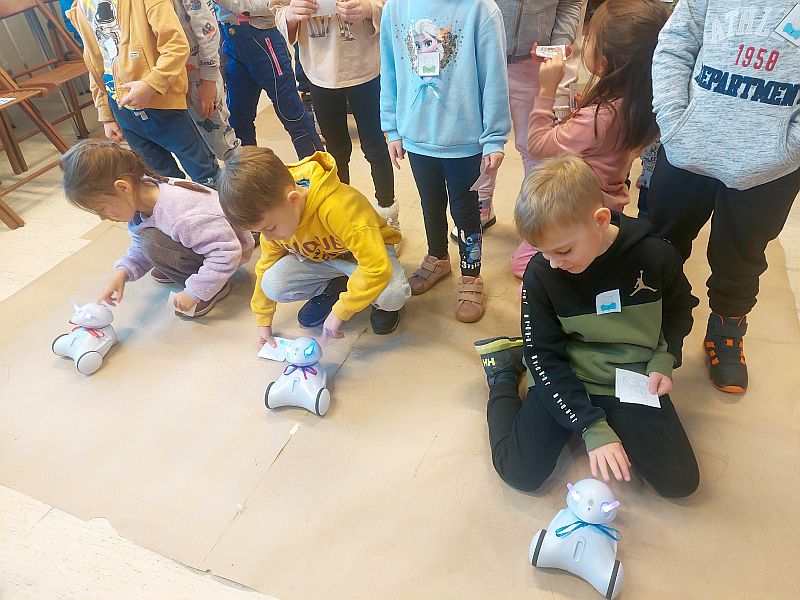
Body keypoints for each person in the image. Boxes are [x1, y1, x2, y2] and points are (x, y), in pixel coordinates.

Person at [475, 155, 699, 497]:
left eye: (563, 250)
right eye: (543, 252)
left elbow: (680, 309)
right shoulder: (542, 272)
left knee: (680, 482)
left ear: (600, 220)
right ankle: (504, 372)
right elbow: (544, 356)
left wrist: (664, 358)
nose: (553, 263)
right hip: (565, 371)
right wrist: (591, 425)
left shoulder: (657, 257)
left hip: (629, 375)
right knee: (519, 472)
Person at [647, 0, 800, 394]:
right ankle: (649, 315)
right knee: (659, 238)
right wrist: (673, 119)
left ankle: (726, 327)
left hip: (770, 168)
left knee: (742, 254)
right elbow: (676, 43)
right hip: (687, 146)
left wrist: (788, 149)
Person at [510, 0, 669, 279]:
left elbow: (538, 145)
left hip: (580, 207)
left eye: (590, 36)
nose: (584, 40)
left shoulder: (600, 117)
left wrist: (547, 90)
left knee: (524, 264)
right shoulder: (638, 101)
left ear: (604, 60)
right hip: (609, 201)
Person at [380, 0, 511, 323]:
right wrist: (392, 128)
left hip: (464, 140)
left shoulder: (480, 10)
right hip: (417, 136)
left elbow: (494, 76)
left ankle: (471, 275)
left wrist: (494, 136)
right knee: (430, 204)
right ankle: (438, 257)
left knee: (466, 213)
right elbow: (390, 68)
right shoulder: (395, 8)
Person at [216, 147, 411, 342]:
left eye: (270, 228)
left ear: (293, 199)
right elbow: (265, 265)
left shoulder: (339, 208)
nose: (267, 238)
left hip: (368, 257)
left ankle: (374, 301)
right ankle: (336, 285)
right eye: (261, 232)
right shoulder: (277, 216)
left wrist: (341, 311)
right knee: (272, 283)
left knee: (392, 295)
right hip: (324, 260)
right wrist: (263, 320)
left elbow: (375, 267)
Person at [60, 140, 254, 317]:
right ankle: (173, 263)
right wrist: (123, 274)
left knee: (152, 244)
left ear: (123, 187)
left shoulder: (181, 215)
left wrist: (194, 292)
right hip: (207, 241)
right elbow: (138, 244)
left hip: (228, 250)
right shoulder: (143, 194)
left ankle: (214, 288)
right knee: (149, 244)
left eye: (102, 209)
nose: (103, 217)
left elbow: (226, 253)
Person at [270, 0, 401, 242]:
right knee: (336, 151)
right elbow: (277, 10)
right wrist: (289, 14)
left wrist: (369, 9)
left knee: (375, 147)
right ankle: (342, 218)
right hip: (320, 72)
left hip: (365, 68)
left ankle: (388, 214)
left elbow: (391, 7)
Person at [455, 0, 584, 241]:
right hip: (482, 56)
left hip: (533, 64)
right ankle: (482, 201)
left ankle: (536, 213)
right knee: (481, 139)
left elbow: (570, 3)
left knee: (533, 144)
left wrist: (559, 41)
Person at [66, 0, 220, 186]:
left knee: (204, 173)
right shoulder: (81, 7)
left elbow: (177, 46)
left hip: (164, 106)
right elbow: (95, 64)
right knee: (159, 179)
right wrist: (106, 115)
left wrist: (151, 84)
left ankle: (218, 203)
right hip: (123, 111)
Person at [215, 0, 324, 157]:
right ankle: (250, 171)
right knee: (238, 119)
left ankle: (319, 169)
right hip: (230, 39)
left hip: (264, 39)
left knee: (292, 114)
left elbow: (276, 5)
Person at [173, 0, 240, 160]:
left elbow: (208, 29)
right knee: (197, 147)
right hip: (172, 80)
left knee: (224, 145)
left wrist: (208, 80)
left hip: (199, 78)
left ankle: (245, 174)